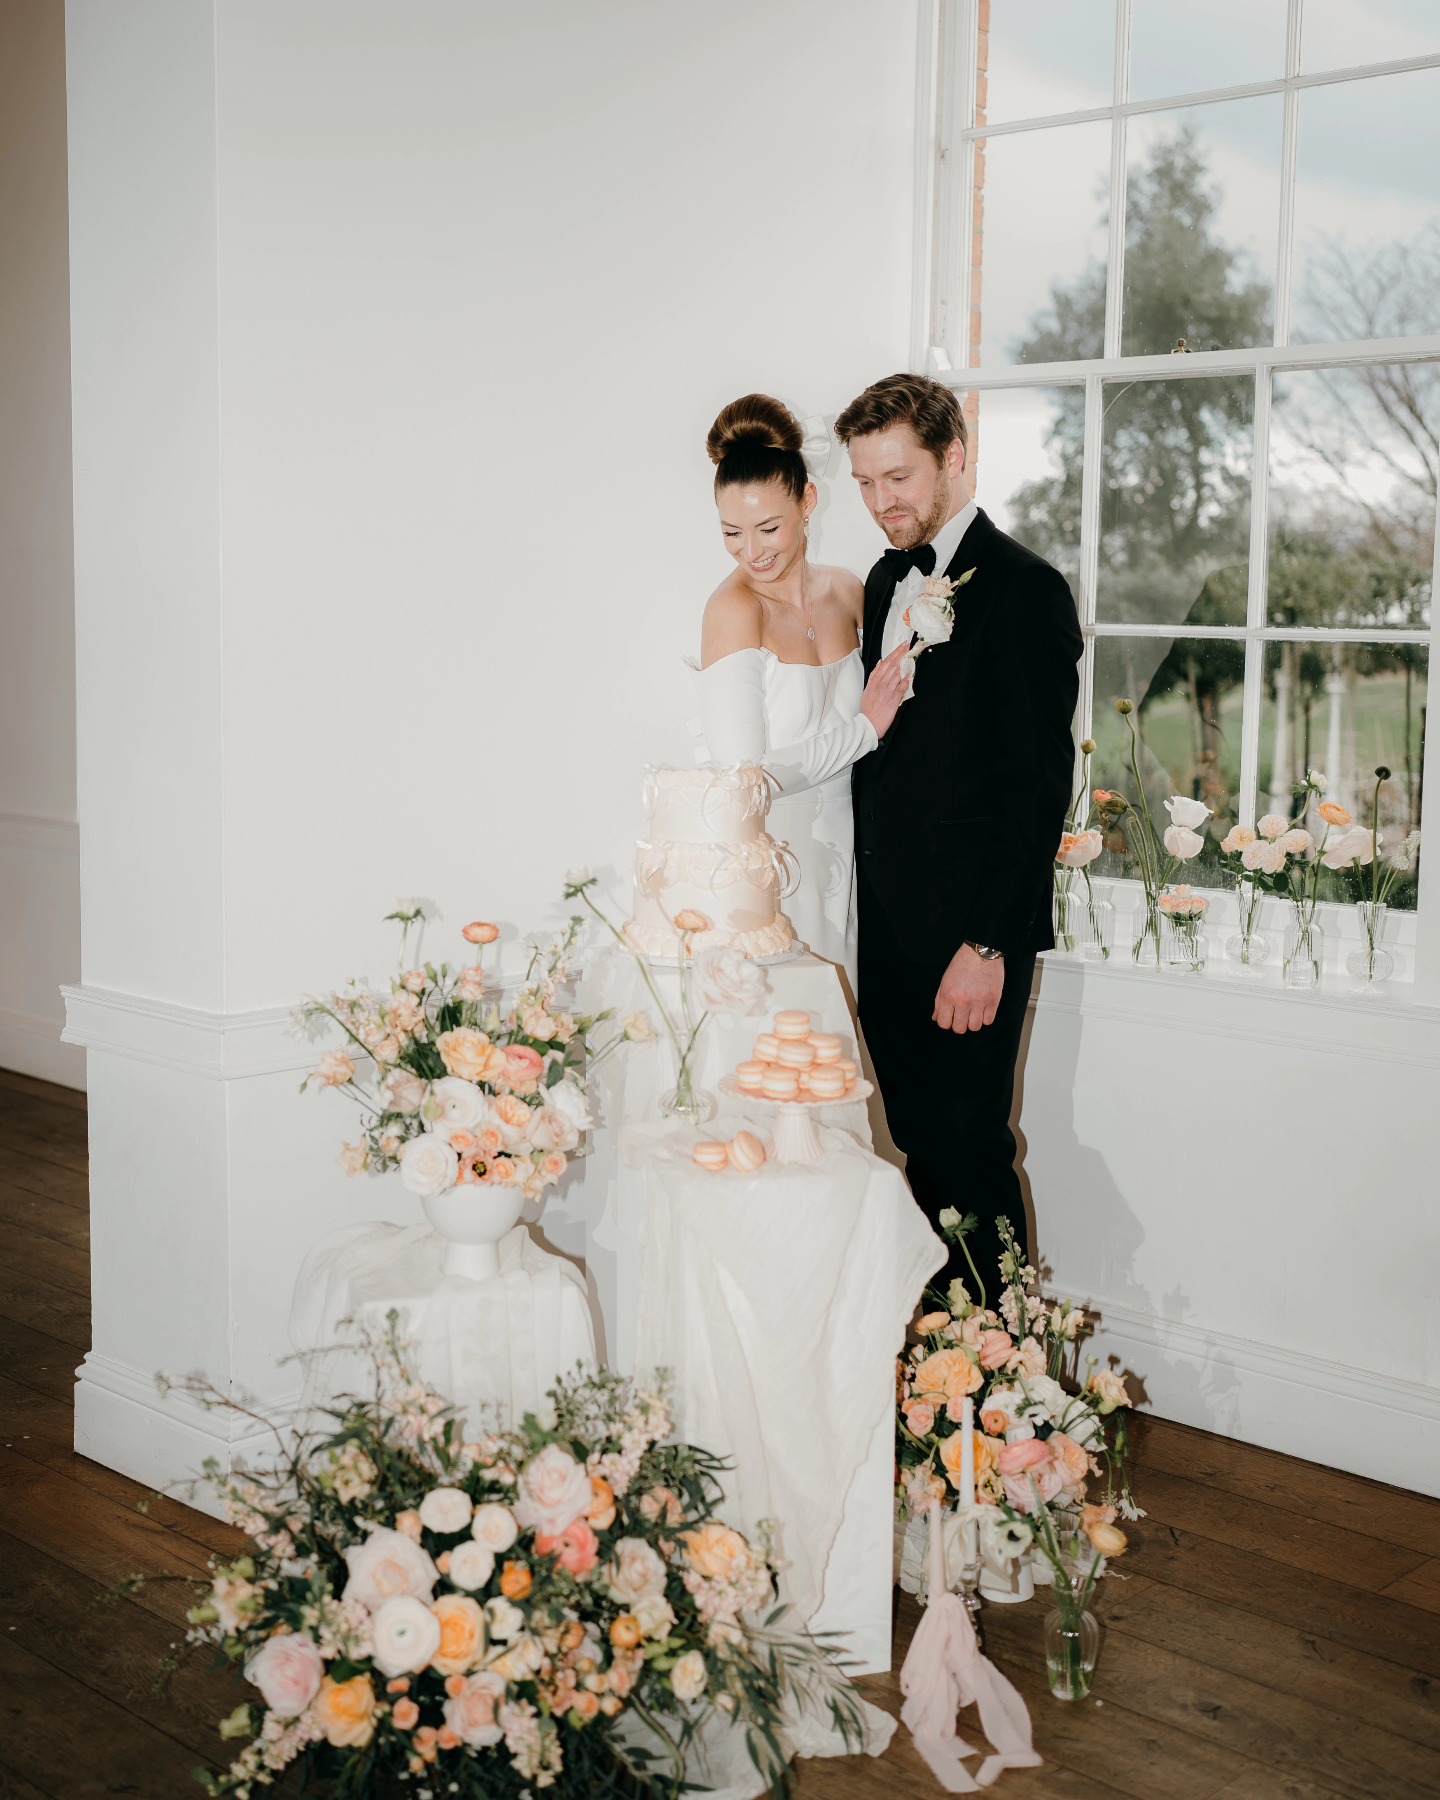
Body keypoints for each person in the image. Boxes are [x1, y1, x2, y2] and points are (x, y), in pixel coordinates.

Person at [834, 372, 1082, 1299]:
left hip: (967, 943)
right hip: (888, 934)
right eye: (864, 481)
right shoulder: (884, 581)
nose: (880, 501)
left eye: (897, 476)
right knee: (923, 1162)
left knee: (972, 1159)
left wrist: (986, 942)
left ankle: (1011, 1395)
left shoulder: (1025, 590)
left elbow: (1033, 792)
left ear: (956, 457)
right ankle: (950, 1392)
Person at [693, 393, 911, 985]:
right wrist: (864, 729)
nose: (751, 551)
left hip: (855, 847)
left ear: (808, 501)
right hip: (774, 861)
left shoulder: (847, 590)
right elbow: (746, 779)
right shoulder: (733, 611)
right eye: (731, 532)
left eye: (768, 527)